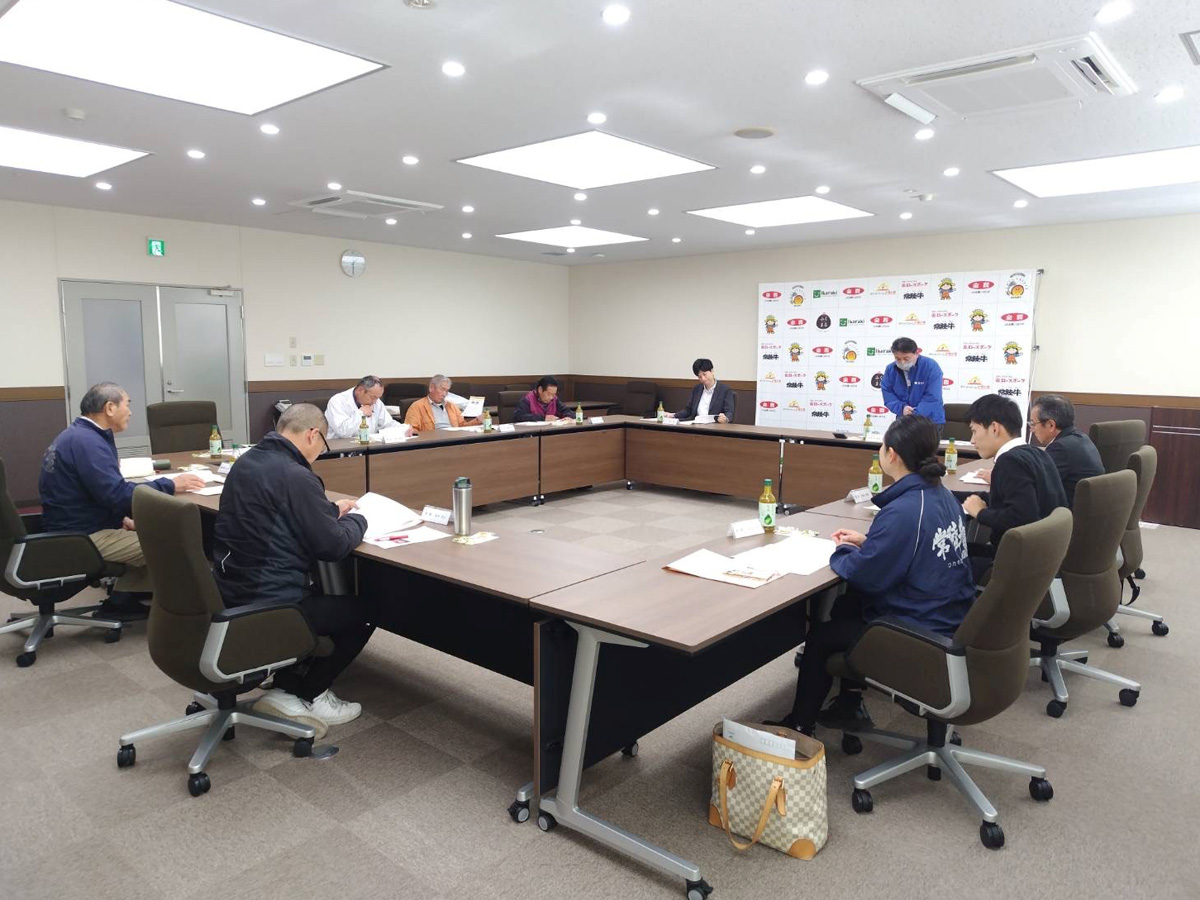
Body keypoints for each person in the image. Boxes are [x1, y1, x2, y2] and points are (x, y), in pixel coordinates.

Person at [774, 414, 975, 735]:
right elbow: (921, 545)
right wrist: (871, 542)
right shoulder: (944, 495)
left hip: (920, 627)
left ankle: (799, 727)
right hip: (950, 615)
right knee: (848, 604)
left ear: (891, 454)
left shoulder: (904, 510)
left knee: (822, 636)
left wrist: (843, 549)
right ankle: (849, 702)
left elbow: (865, 575)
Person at [212, 403, 374, 737]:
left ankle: (286, 681)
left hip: (232, 590)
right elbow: (332, 546)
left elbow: (278, 511)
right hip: (273, 602)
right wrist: (360, 519)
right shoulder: (296, 475)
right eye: (323, 445)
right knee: (368, 611)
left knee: (323, 595)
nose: (320, 454)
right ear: (313, 434)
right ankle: (305, 692)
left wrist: (329, 510)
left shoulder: (246, 462)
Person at [38, 382, 206, 621]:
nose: (130, 411)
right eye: (127, 404)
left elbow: (97, 494)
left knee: (155, 532)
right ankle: (190, 611)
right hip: (81, 537)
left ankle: (123, 599)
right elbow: (117, 495)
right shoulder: (89, 442)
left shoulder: (79, 435)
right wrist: (170, 485)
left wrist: (121, 518)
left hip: (71, 527)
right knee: (174, 541)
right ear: (109, 408)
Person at [960, 394, 1067, 580]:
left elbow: (1021, 518)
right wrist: (953, 496)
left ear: (994, 428)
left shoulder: (1009, 462)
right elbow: (1009, 498)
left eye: (974, 431)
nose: (972, 441)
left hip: (1016, 567)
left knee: (944, 557)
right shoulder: (1035, 453)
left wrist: (980, 513)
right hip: (1044, 560)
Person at [1030, 394, 1103, 508]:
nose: (1032, 430)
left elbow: (1034, 483)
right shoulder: (1081, 438)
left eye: (1033, 424)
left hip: (1069, 514)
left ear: (1050, 425)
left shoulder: (1060, 448)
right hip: (1090, 509)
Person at [880, 337, 945, 429]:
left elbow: (932, 397)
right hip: (904, 419)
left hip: (930, 421)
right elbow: (888, 393)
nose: (902, 362)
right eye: (898, 359)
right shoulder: (891, 369)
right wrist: (902, 408)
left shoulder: (931, 366)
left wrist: (913, 414)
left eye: (906, 358)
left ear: (916, 353)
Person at [325, 375, 397, 439]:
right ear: (360, 390)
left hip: (369, 445)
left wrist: (402, 429)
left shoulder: (376, 402)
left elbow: (387, 424)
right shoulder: (337, 401)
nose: (375, 402)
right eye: (373, 397)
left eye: (378, 398)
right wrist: (361, 413)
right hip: (340, 447)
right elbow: (343, 432)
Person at [405, 375, 482, 433]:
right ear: (431, 388)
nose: (444, 394)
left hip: (454, 439)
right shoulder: (417, 406)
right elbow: (412, 429)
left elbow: (462, 426)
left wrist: (477, 420)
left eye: (447, 391)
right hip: (432, 442)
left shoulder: (452, 406)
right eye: (442, 389)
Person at [671, 358, 735, 423]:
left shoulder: (725, 390)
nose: (703, 379)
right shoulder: (697, 389)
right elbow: (688, 410)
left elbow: (729, 412)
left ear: (712, 371)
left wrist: (725, 418)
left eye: (704, 374)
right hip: (695, 424)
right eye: (700, 377)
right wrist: (673, 415)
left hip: (714, 425)